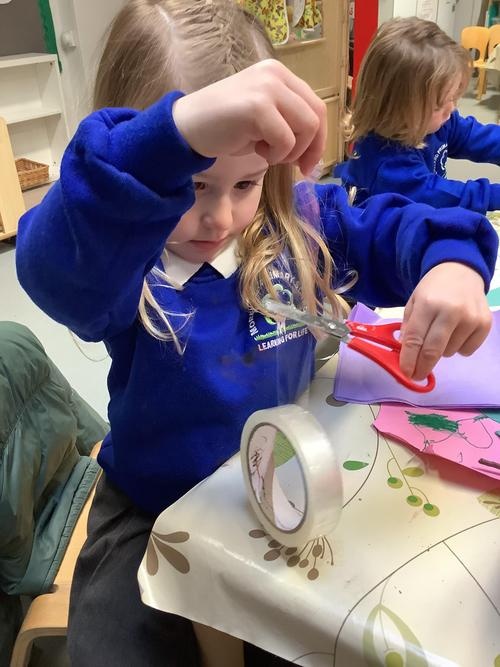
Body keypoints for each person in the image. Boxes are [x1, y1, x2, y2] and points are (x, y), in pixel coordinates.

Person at [15, 1, 497, 665]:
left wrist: (452, 267)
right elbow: (50, 268)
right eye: (191, 184)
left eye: (245, 182)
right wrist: (171, 135)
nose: (220, 215)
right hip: (152, 505)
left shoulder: (299, 224)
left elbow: (406, 225)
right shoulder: (116, 259)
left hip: (286, 485)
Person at [337, 16, 500, 212]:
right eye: (439, 105)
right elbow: (444, 196)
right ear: (398, 109)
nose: (451, 109)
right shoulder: (387, 164)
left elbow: (475, 136)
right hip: (381, 228)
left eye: (453, 98)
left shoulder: (436, 121)